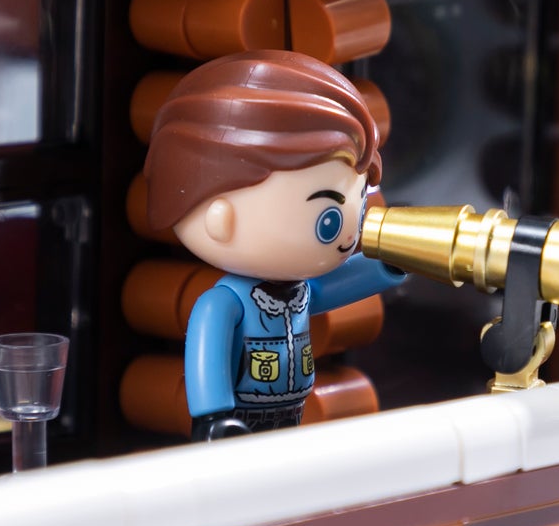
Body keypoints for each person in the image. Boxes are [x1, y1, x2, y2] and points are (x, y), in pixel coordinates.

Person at [141, 51, 406, 439]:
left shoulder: (302, 292)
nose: (350, 234)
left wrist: (391, 259)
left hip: (293, 410)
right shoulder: (223, 304)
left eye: (359, 205)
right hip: (240, 419)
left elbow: (335, 286)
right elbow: (207, 356)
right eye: (329, 220)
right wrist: (212, 416)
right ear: (221, 218)